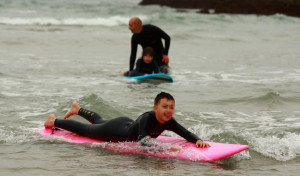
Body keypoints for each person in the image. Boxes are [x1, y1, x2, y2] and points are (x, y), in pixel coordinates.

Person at [44, 92, 210, 149]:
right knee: (86, 130)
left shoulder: (169, 120)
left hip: (124, 123)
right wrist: (165, 147)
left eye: (171, 107)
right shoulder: (147, 118)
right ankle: (54, 121)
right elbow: (143, 141)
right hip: (116, 132)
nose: (168, 110)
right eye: (165, 107)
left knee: (100, 120)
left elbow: (185, 133)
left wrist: (198, 140)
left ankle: (77, 109)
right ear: (155, 108)